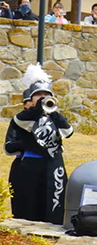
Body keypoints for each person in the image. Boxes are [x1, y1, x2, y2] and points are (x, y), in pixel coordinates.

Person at [4, 65, 72, 223]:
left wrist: (53, 113)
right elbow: (9, 146)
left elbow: (68, 132)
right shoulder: (23, 117)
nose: (42, 97)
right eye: (38, 95)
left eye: (46, 94)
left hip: (54, 166)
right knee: (28, 206)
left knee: (54, 203)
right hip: (28, 167)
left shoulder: (56, 117)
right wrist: (28, 144)